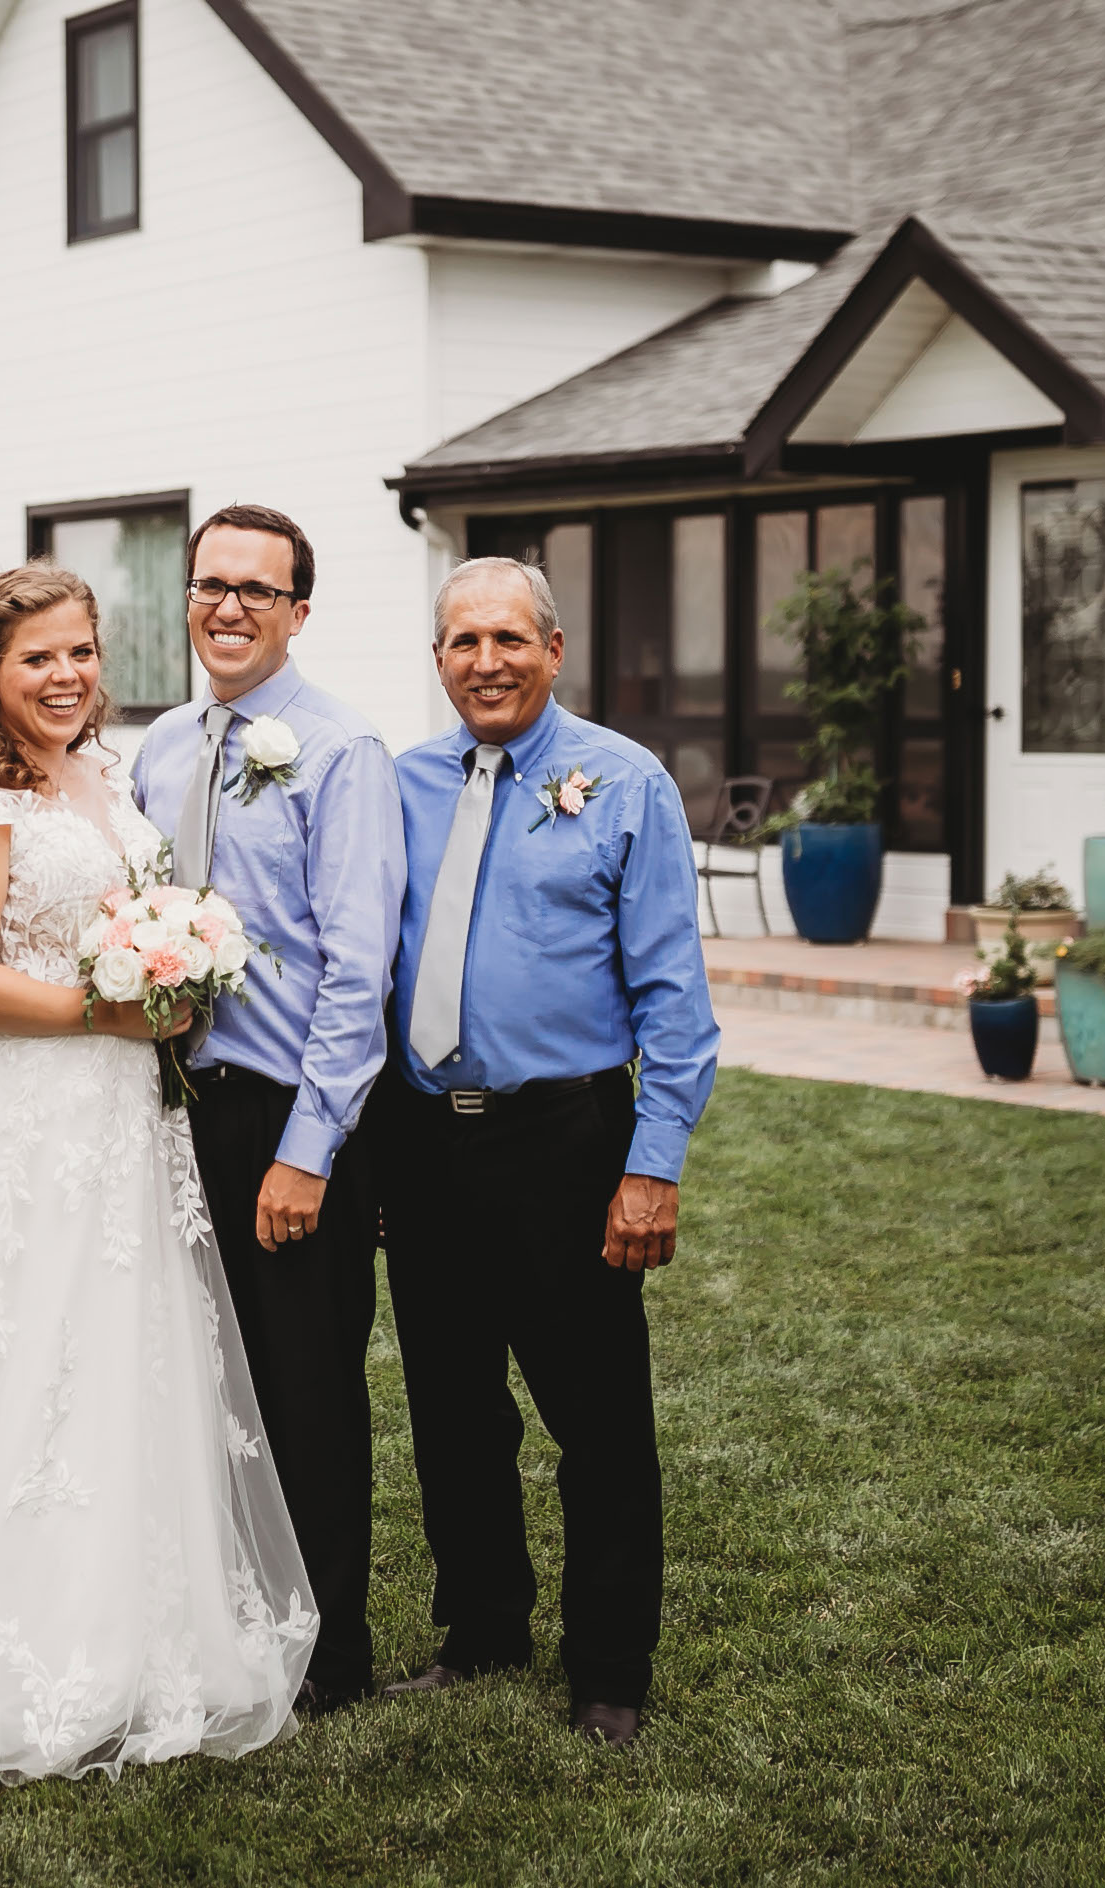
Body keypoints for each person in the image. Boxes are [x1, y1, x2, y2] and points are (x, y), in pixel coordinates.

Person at [0, 562, 316, 1801]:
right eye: (38, 657)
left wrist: (170, 971)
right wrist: (112, 1010)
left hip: (122, 1122)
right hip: (26, 1119)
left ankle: (137, 1630)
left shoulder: (106, 773)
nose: (68, 674)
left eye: (82, 650)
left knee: (122, 1352)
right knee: (23, 1353)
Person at [364, 555, 720, 1749]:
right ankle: (481, 1630)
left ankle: (609, 1668)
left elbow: (675, 997)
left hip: (566, 1137)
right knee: (453, 1408)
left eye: (509, 638)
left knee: (597, 1417)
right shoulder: (402, 784)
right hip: (423, 1137)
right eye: (463, 642)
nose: (487, 662)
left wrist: (652, 1165)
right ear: (438, 659)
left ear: (554, 650)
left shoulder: (625, 783)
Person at [129, 503, 404, 1714]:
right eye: (210, 584)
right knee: (198, 1379)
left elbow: (359, 967)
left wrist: (309, 1151)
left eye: (257, 588)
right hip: (174, 1109)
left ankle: (327, 1651)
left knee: (305, 1387)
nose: (229, 605)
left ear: (299, 611)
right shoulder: (159, 748)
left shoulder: (342, 750)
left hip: (291, 1114)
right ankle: (224, 1616)